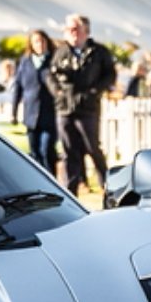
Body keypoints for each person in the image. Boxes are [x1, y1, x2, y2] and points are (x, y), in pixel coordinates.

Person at [46, 14, 116, 195]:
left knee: (92, 147)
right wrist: (58, 92)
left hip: (87, 107)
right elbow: (51, 75)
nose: (72, 33)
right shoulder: (61, 52)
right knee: (69, 150)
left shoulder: (98, 52)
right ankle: (71, 189)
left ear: (86, 31)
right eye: (69, 29)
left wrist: (94, 92)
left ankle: (108, 185)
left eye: (76, 29)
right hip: (65, 107)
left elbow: (109, 75)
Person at [11, 29, 58, 175]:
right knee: (35, 152)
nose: (40, 44)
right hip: (31, 115)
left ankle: (52, 181)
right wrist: (14, 112)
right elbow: (18, 87)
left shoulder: (54, 61)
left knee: (46, 149)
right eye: (36, 41)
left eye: (43, 41)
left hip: (50, 115)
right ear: (31, 44)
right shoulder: (25, 62)